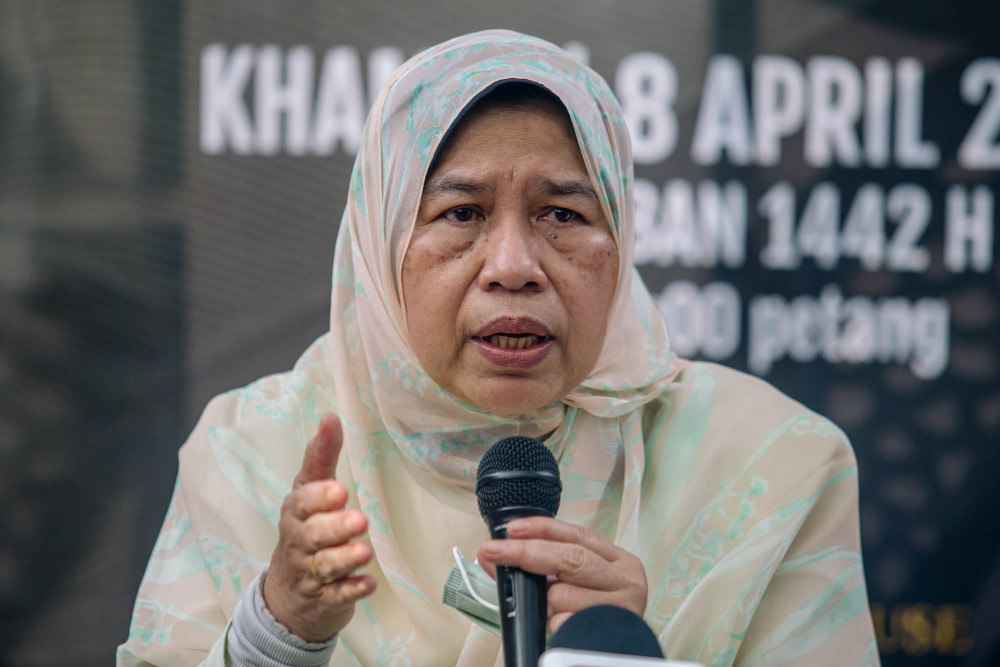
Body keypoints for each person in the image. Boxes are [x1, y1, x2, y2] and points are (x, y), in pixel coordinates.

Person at [118, 29, 878, 666]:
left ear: (619, 237)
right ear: (383, 245)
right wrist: (275, 628)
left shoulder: (773, 466)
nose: (514, 266)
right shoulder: (251, 453)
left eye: (561, 213)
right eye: (460, 213)